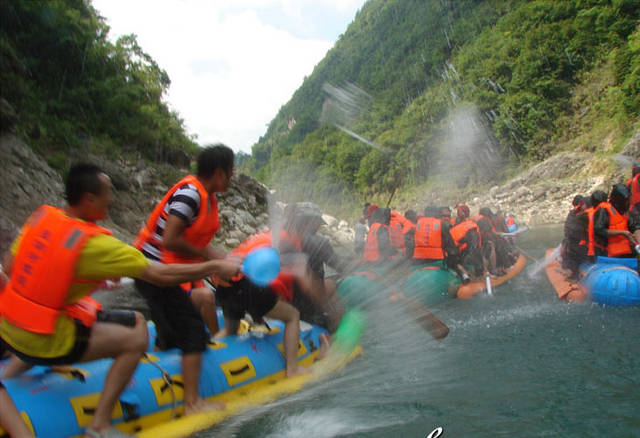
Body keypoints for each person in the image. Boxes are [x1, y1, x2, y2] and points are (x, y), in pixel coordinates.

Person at [0, 164, 238, 438]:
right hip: (45, 340)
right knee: (137, 330)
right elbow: (159, 274)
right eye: (107, 193)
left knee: (61, 320)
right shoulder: (96, 244)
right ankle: (100, 424)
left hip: (9, 330)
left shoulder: (41, 218)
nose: (111, 199)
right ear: (90, 199)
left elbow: (11, 268)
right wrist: (214, 267)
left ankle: (12, 378)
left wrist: (91, 278)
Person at [133, 144, 236, 415]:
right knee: (191, 329)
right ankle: (192, 403)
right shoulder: (190, 194)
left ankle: (166, 360)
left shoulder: (205, 196)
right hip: (155, 272)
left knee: (174, 328)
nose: (233, 176)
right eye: (231, 171)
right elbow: (170, 239)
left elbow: (192, 240)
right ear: (218, 173)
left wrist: (212, 263)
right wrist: (211, 256)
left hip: (161, 272)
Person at [214, 209, 329, 377]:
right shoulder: (288, 243)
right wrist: (325, 304)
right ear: (302, 228)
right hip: (246, 284)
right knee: (292, 316)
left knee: (230, 330)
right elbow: (306, 281)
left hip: (225, 284)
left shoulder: (265, 236)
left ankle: (208, 356)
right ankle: (292, 369)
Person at [593, 184, 638, 258]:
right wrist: (622, 233)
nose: (628, 203)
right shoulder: (604, 210)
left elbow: (635, 226)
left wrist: (638, 241)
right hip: (608, 255)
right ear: (619, 200)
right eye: (626, 201)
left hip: (626, 253)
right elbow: (599, 230)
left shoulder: (624, 212)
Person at [450, 205, 485, 277]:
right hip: (464, 251)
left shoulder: (454, 223)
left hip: (460, 251)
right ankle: (479, 273)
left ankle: (469, 274)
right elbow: (474, 245)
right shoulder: (470, 224)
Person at [561, 195, 589, 279]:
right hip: (576, 245)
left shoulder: (574, 215)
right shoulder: (579, 215)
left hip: (577, 244)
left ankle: (571, 271)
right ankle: (571, 272)